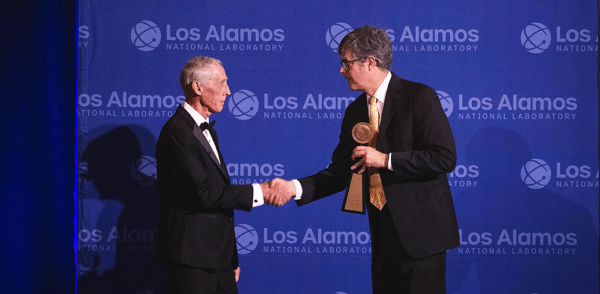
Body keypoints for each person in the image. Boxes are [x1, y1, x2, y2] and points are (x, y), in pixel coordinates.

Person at [271, 25, 460, 293]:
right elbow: (341, 171)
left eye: (345, 63)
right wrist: (294, 187)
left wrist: (385, 160)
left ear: (370, 62)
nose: (341, 70)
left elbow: (443, 157)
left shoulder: (419, 97)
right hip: (383, 235)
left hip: (421, 235)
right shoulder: (355, 111)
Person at [155, 56, 287, 294]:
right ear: (198, 87)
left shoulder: (205, 131)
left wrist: (231, 259)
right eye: (222, 83)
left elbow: (219, 205)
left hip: (218, 258)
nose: (228, 91)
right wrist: (261, 191)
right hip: (192, 259)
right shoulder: (177, 132)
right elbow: (203, 193)